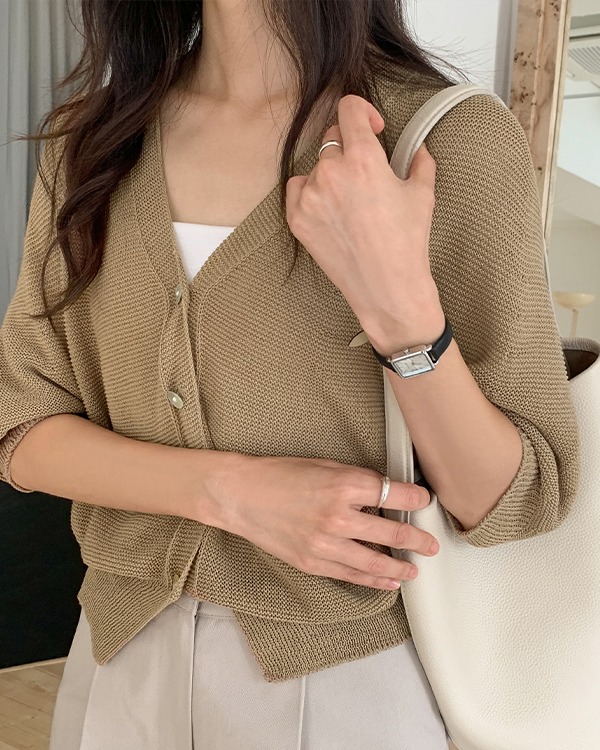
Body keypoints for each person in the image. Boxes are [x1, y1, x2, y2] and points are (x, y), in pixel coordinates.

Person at [0, 0, 579, 748]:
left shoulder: (445, 139)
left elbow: (517, 500)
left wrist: (397, 304)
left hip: (357, 675)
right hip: (121, 652)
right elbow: (21, 425)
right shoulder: (94, 140)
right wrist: (231, 493)